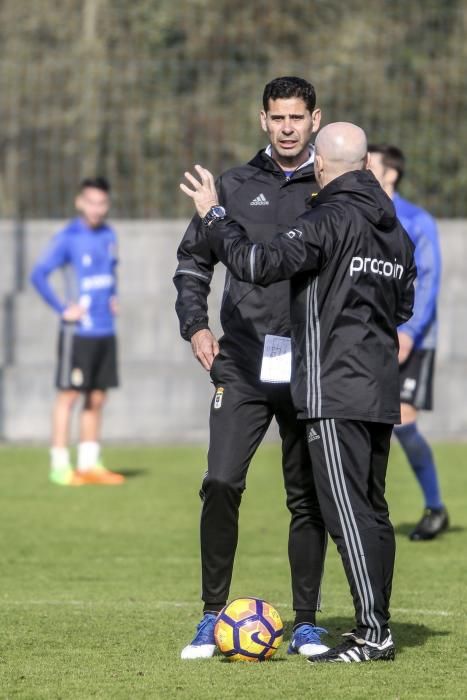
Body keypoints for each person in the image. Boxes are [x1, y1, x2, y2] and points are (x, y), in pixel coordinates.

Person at [180, 121, 416, 663]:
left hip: (328, 382)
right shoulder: (393, 228)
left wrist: (215, 215)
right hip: (376, 383)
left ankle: (369, 631)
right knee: (372, 510)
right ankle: (374, 622)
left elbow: (257, 263)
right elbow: (400, 306)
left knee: (342, 511)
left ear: (325, 164)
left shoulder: (330, 215)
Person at [174, 77, 329, 659]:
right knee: (219, 482)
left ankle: (308, 622)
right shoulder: (233, 187)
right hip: (239, 361)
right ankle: (212, 616)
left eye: (297, 117)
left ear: (315, 119)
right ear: (263, 120)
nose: (287, 128)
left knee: (307, 496)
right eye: (278, 118)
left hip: (308, 363)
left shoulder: (334, 185)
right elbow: (193, 262)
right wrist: (196, 324)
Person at [368, 144, 449, 541]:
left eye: (371, 163)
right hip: (367, 335)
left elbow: (429, 281)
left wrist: (409, 333)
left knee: (403, 422)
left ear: (392, 174)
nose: (363, 167)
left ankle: (435, 507)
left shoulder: (417, 219)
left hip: (408, 338)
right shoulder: (358, 212)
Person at [30, 177, 125, 486]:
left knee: (97, 397)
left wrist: (113, 297)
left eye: (102, 202)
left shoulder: (109, 234)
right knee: (68, 396)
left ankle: (89, 463)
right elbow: (39, 275)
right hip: (78, 332)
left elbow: (109, 271)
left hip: (105, 329)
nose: (97, 208)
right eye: (91, 202)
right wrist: (62, 308)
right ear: (79, 202)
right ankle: (60, 465)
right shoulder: (68, 237)